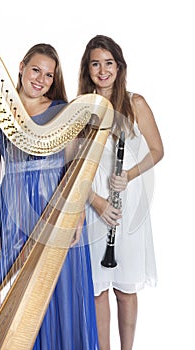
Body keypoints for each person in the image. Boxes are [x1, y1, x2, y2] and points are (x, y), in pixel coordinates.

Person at [0, 43, 99, 349]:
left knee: (61, 289)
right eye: (36, 70)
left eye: (49, 75)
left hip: (56, 205)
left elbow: (76, 169)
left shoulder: (63, 111)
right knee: (11, 290)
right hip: (13, 209)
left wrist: (77, 215)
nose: (41, 79)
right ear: (21, 66)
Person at [77, 35, 164, 350]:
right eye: (95, 63)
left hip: (124, 203)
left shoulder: (135, 102)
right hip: (94, 204)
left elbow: (156, 150)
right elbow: (73, 168)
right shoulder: (81, 109)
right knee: (98, 290)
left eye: (109, 63)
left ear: (119, 66)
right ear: (88, 69)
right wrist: (96, 202)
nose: (103, 70)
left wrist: (128, 174)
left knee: (125, 290)